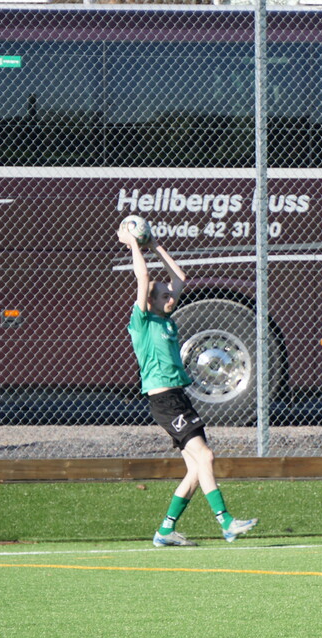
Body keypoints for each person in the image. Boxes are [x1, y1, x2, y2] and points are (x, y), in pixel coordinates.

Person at [118, 225, 257, 547]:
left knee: (196, 469)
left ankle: (165, 531)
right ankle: (226, 522)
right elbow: (142, 278)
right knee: (205, 456)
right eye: (164, 295)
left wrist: (155, 245)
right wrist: (133, 244)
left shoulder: (166, 320)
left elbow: (180, 278)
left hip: (178, 398)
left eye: (170, 295)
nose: (171, 297)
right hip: (164, 401)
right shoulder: (142, 321)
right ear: (150, 300)